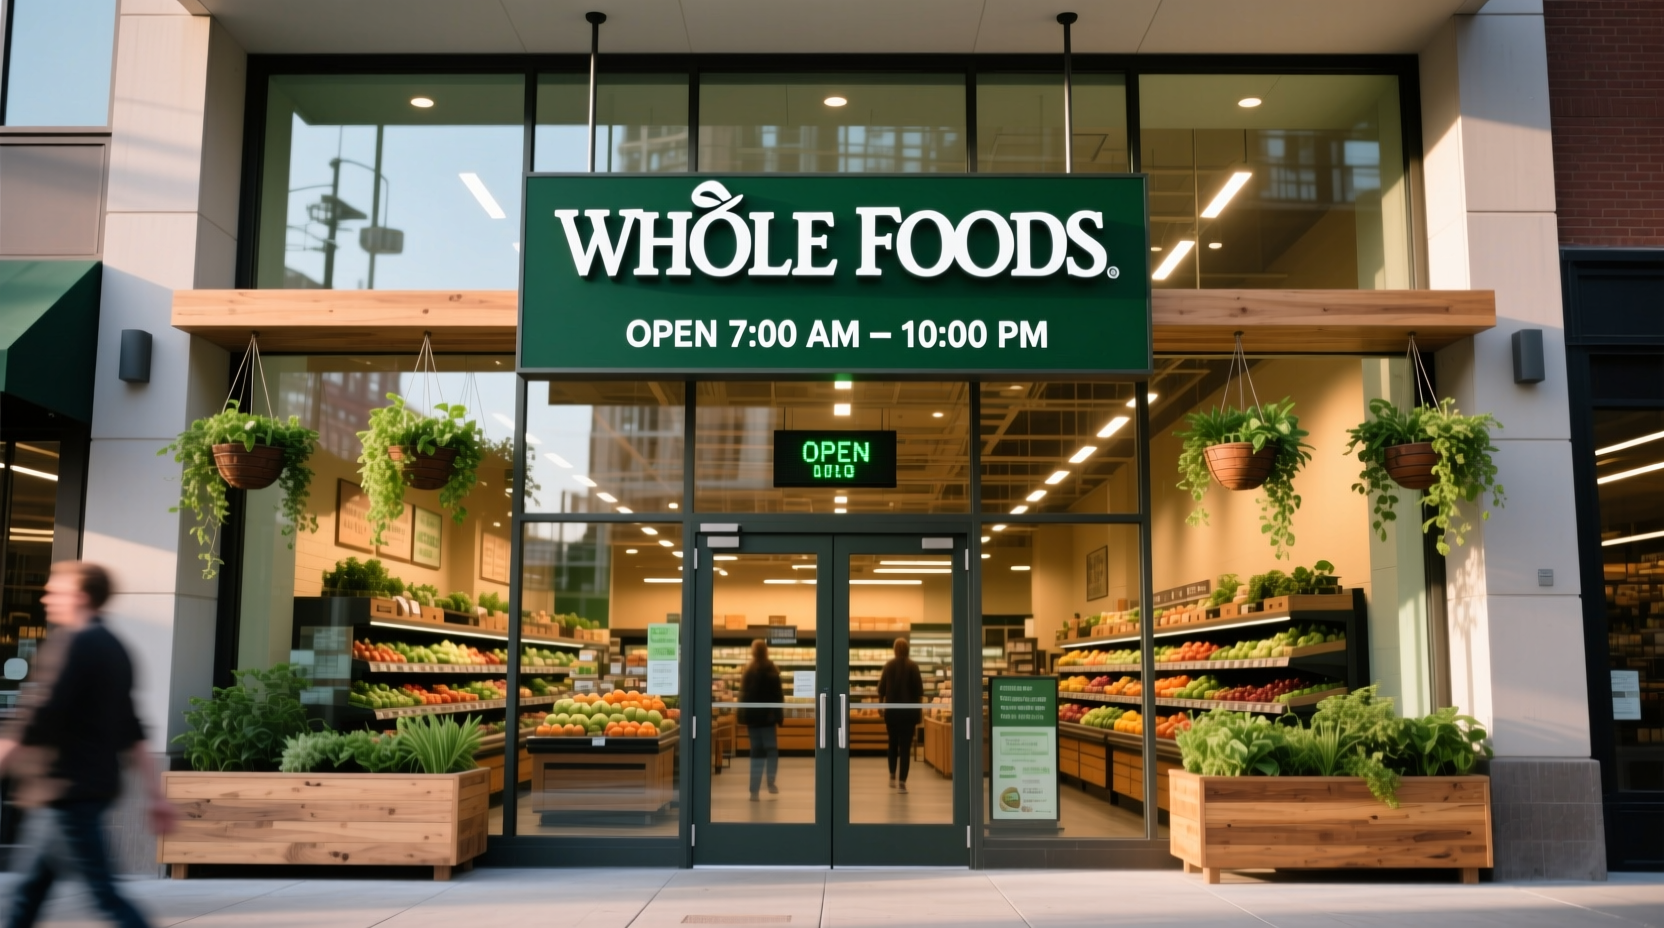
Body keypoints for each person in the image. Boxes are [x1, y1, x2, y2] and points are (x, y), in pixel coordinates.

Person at [0, 561, 173, 928]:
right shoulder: (115, 647)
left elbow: (37, 720)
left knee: (103, 897)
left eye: (54, 590)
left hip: (67, 794)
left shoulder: (74, 644)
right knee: (27, 896)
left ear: (79, 596)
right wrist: (155, 796)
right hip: (81, 791)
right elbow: (134, 728)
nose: (46, 597)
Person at [737, 639, 783, 801]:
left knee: (756, 752)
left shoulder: (748, 670)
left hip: (753, 718)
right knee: (771, 750)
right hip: (768, 718)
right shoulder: (772, 669)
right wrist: (779, 716)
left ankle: (754, 791)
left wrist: (741, 716)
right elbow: (778, 695)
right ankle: (770, 782)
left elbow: (742, 695)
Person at [877, 637, 924, 792]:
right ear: (908, 649)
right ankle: (902, 781)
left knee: (892, 743)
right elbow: (919, 692)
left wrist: (880, 705)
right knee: (905, 747)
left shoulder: (888, 666)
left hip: (892, 713)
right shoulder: (914, 666)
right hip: (909, 714)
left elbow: (881, 689)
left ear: (895, 650)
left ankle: (892, 774)